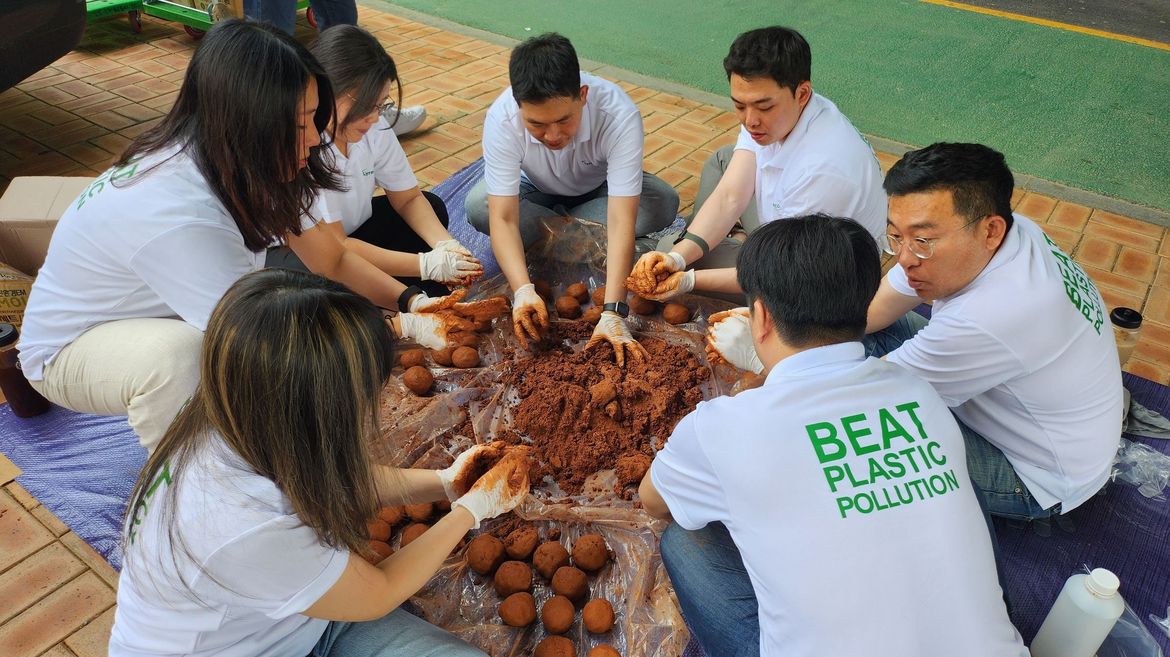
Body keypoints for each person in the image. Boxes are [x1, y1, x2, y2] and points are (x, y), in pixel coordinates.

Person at [17, 20, 467, 452]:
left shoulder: (256, 156)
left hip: (168, 301)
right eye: (300, 124)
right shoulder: (178, 211)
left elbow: (331, 260)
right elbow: (255, 340)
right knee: (183, 359)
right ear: (248, 123)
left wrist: (412, 302)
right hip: (74, 345)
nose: (315, 139)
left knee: (295, 308)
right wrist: (390, 331)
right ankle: (189, 485)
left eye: (316, 117)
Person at [640, 216, 1027, 657]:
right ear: (863, 305)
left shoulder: (720, 427)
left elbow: (654, 500)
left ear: (759, 316)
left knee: (686, 538)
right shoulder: (920, 394)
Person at [109, 268, 530, 657]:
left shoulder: (233, 414)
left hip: (292, 621)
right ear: (318, 408)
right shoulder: (238, 522)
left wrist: (444, 481)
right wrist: (470, 512)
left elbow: (322, 481)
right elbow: (380, 593)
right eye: (370, 394)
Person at [862, 142, 1123, 520]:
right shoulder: (1012, 233)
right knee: (842, 336)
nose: (904, 258)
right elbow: (874, 313)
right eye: (897, 237)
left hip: (1038, 476)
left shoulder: (993, 315)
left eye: (922, 240)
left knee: (854, 444)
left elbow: (862, 401)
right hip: (1020, 405)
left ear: (990, 231)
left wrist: (768, 370)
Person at [627, 26, 885, 302]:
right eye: (739, 105)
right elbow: (730, 196)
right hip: (791, 227)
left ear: (802, 93)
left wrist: (688, 278)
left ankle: (734, 243)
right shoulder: (785, 111)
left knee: (673, 247)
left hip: (820, 280)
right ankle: (733, 239)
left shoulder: (823, 170)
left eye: (764, 107)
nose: (750, 120)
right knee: (724, 161)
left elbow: (786, 273)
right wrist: (679, 257)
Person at [465, 33, 679, 364]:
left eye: (564, 120)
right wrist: (523, 290)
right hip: (534, 190)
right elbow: (504, 217)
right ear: (518, 107)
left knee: (663, 201)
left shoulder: (618, 113)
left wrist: (613, 311)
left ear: (582, 95)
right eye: (536, 124)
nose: (552, 135)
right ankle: (588, 238)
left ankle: (559, 232)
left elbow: (622, 216)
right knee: (479, 207)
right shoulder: (501, 118)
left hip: (598, 191)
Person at [266, 25, 482, 298]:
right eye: (366, 105)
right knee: (312, 285)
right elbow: (335, 250)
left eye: (381, 105)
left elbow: (408, 198)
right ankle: (394, 302)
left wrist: (447, 247)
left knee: (433, 207)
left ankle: (405, 297)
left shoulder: (374, 126)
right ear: (328, 89)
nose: (374, 116)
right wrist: (426, 265)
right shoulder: (303, 143)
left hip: (354, 237)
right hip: (304, 253)